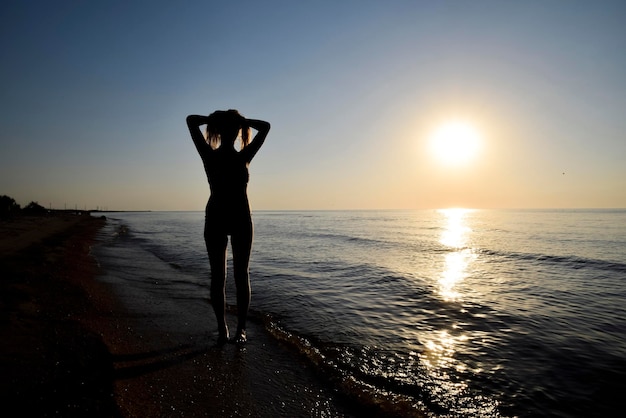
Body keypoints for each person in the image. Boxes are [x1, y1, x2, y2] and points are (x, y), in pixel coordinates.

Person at [186, 110, 270, 344]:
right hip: (216, 218)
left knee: (241, 275)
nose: (232, 131)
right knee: (218, 277)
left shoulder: (245, 155)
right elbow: (191, 121)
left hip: (241, 218)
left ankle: (240, 329)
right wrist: (220, 120)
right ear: (220, 130)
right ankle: (222, 327)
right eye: (227, 127)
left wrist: (239, 121)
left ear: (237, 131)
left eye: (235, 128)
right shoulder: (208, 154)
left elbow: (265, 126)